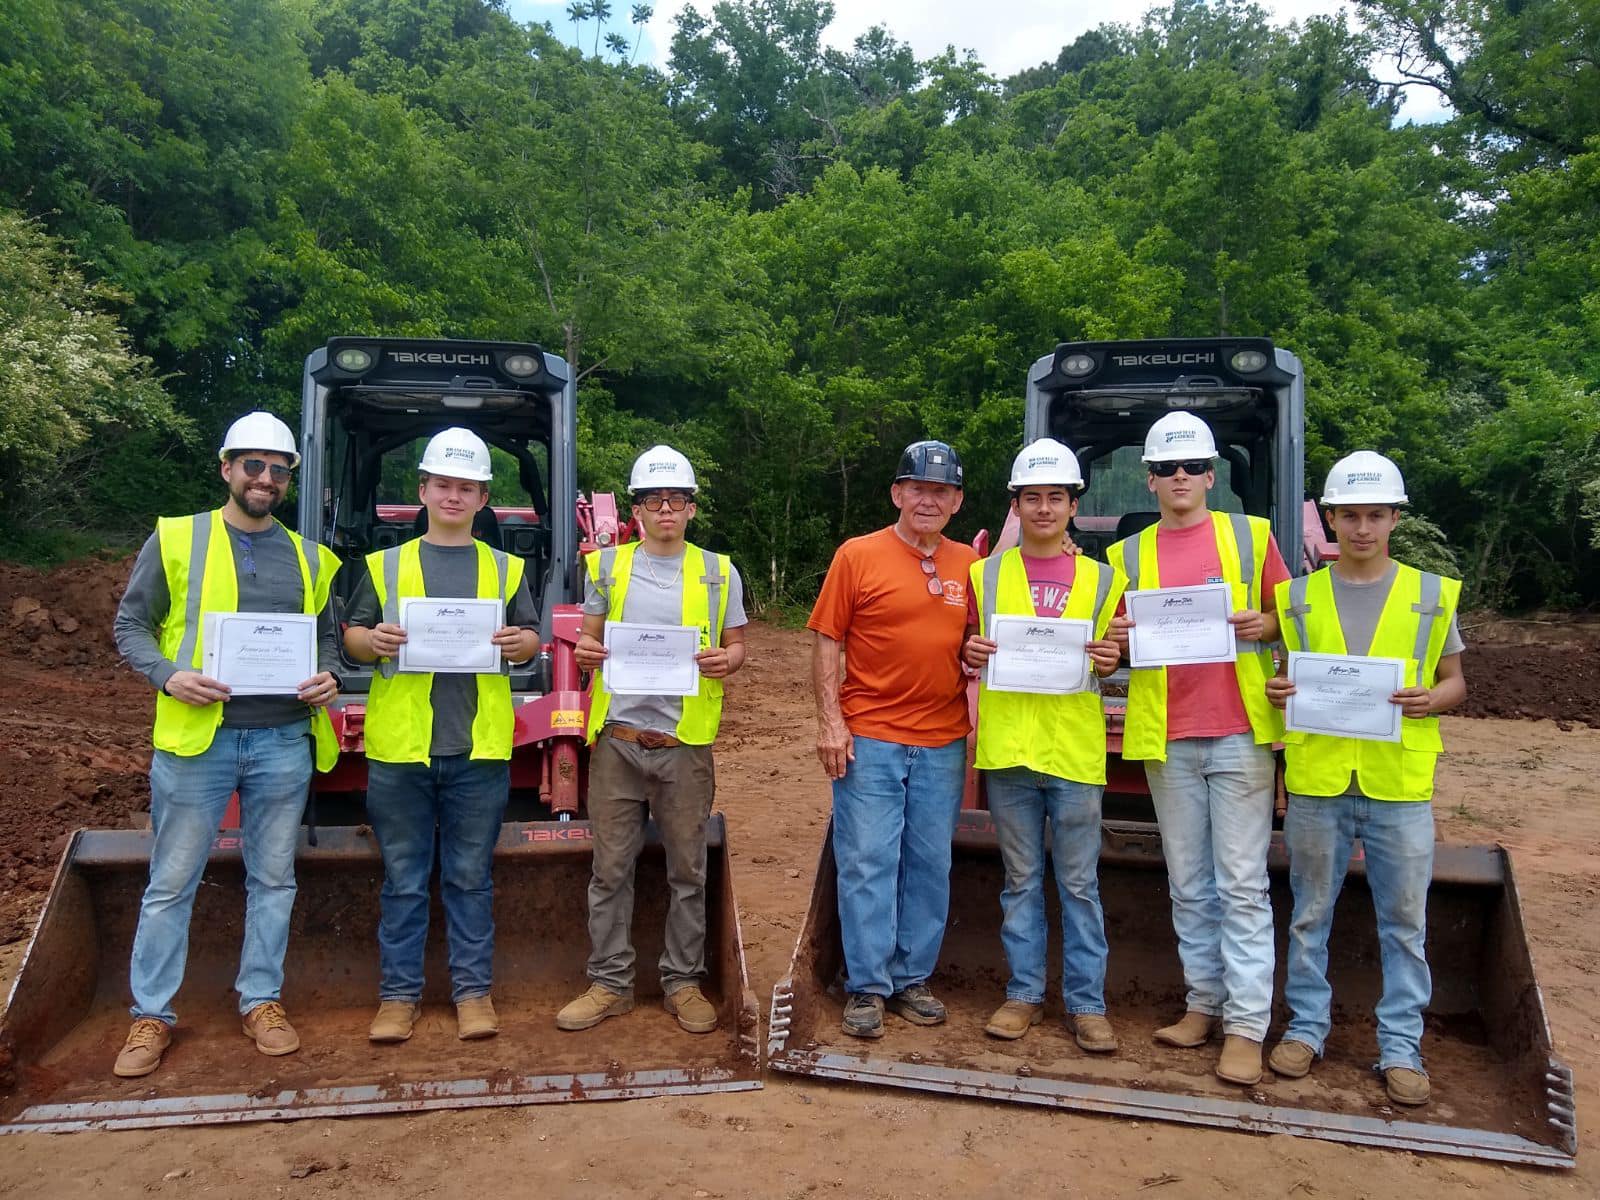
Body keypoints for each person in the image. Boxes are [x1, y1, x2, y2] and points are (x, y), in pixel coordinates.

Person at [111, 411, 342, 1078]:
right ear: (227, 469)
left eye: (278, 469)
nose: (265, 478)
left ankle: (262, 1001)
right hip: (196, 745)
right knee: (170, 883)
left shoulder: (310, 556)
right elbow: (132, 625)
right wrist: (168, 674)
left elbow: (325, 640)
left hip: (282, 742)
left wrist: (328, 675)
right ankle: (150, 1015)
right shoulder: (177, 538)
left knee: (273, 880)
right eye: (253, 465)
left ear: (289, 477)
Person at [1265, 452, 1465, 1107]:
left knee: (1404, 923)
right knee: (1309, 916)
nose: (1361, 527)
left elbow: (1457, 681)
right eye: (1349, 514)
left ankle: (1402, 1049)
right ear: (1328, 519)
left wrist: (1430, 701)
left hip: (1398, 787)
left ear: (1394, 519)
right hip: (1319, 782)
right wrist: (1278, 690)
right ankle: (1305, 1030)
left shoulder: (1431, 595)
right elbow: (1284, 677)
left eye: (1374, 514)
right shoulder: (1296, 597)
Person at [1105, 412, 1289, 1087]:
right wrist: (1116, 639)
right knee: (1188, 884)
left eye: (1189, 467)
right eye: (1164, 468)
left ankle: (1245, 1028)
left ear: (1211, 476)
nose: (1177, 478)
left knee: (1240, 884)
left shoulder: (1251, 536)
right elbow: (1119, 643)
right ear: (1149, 480)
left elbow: (1287, 617)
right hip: (1166, 734)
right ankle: (1202, 1006)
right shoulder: (1126, 556)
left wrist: (1262, 622)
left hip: (1239, 730)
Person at [344, 427, 540, 1043]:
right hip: (401, 751)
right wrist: (369, 642)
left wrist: (519, 644)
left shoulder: (506, 569)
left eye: (467, 488)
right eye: (443, 485)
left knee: (469, 877)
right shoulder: (384, 565)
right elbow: (351, 635)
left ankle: (473, 995)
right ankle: (397, 999)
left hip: (477, 750)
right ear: (423, 490)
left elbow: (532, 639)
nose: (453, 496)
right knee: (403, 879)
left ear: (484, 499)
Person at [556, 446, 748, 1035]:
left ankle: (682, 982)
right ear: (637, 509)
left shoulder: (720, 570)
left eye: (677, 500)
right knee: (610, 871)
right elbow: (588, 643)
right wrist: (586, 653)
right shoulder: (607, 568)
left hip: (683, 744)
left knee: (687, 872)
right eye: (653, 500)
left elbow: (738, 645)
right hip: (618, 741)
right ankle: (610, 983)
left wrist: (727, 659)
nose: (666, 509)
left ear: (691, 509)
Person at [809, 440, 979, 1039]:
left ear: (956, 501)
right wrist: (832, 722)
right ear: (897, 494)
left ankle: (912, 977)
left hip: (943, 738)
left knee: (930, 863)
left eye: (941, 491)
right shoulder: (858, 556)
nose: (928, 500)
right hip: (872, 737)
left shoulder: (968, 566)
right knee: (868, 860)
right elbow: (828, 640)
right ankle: (867, 985)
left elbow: (977, 644)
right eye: (917, 489)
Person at [960, 440, 1126, 1049]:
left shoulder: (1105, 579)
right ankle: (1023, 993)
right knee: (1021, 880)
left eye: (1057, 497)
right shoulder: (983, 575)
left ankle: (1087, 1004)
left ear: (1073, 505)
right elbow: (966, 646)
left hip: (1075, 752)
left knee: (1080, 884)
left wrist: (1113, 658)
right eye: (1033, 497)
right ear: (1017, 505)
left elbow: (1113, 657)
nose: (1045, 508)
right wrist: (968, 652)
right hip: (1007, 751)